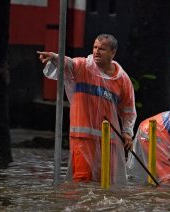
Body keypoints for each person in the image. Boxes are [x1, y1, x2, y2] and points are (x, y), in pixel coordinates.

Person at [38, 34, 136, 184]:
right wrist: (54, 57)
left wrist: (127, 132)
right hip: (82, 137)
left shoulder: (122, 79)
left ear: (113, 52)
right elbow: (67, 63)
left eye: (102, 49)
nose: (97, 51)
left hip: (108, 139)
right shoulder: (82, 67)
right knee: (81, 181)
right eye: (95, 47)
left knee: (106, 182)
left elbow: (128, 109)